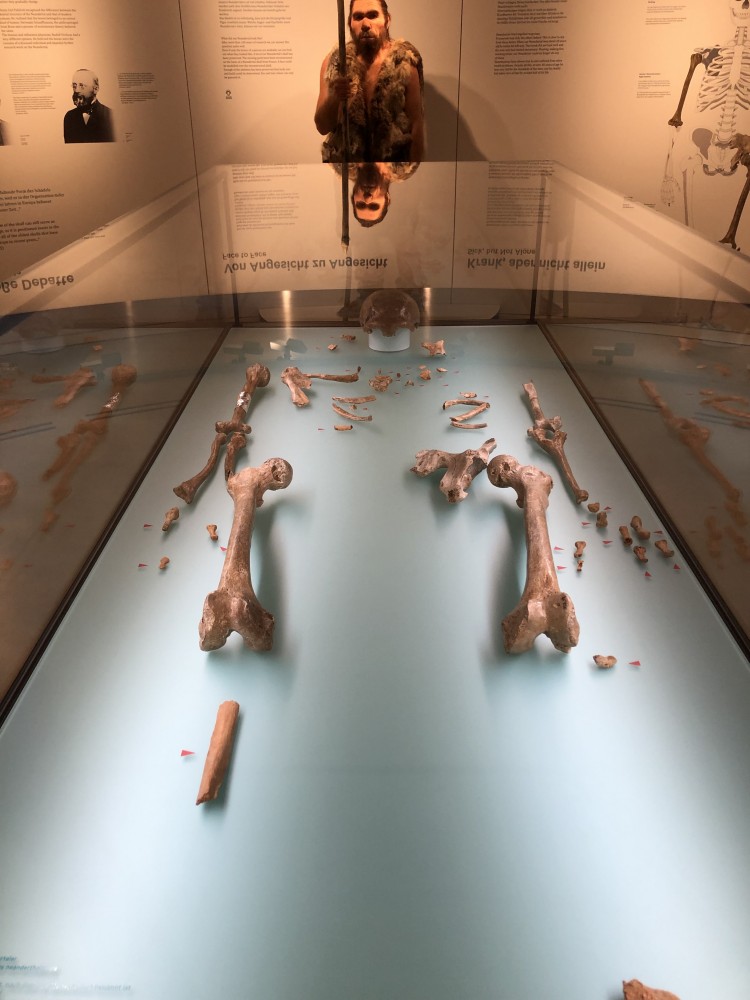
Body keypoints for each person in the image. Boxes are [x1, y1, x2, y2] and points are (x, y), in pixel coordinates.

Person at [314, 0, 424, 163]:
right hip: (347, 167)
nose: (365, 24)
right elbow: (322, 126)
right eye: (358, 17)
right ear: (350, 23)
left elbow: (416, 125)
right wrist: (335, 97)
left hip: (392, 167)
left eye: (373, 15)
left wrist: (413, 171)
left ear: (387, 20)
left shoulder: (404, 62)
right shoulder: (335, 62)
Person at [63, 69, 115, 143]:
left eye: (82, 85)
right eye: (74, 86)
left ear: (95, 89)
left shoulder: (110, 115)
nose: (76, 90)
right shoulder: (69, 117)